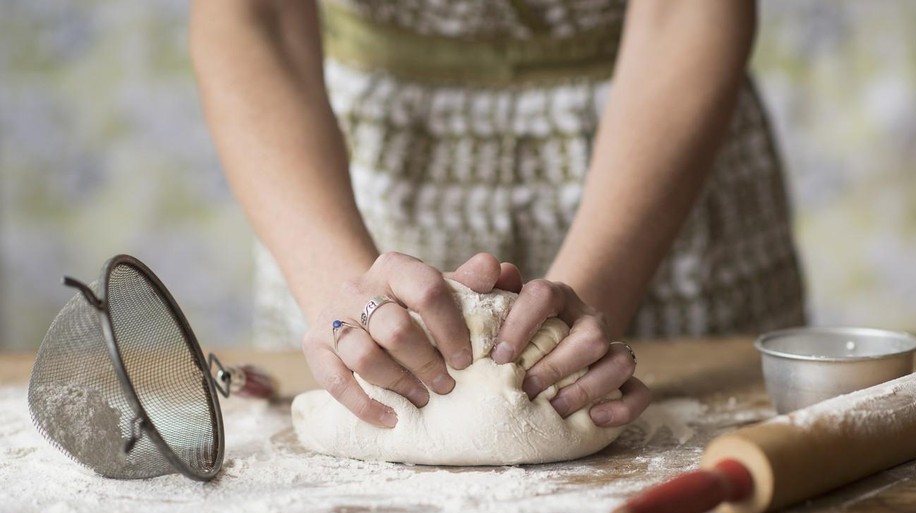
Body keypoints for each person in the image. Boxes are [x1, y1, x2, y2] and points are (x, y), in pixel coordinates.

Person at [189, 0, 804, 431]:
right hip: (349, 179)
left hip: (653, 163)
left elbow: (690, 10)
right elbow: (251, 15)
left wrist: (585, 310)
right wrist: (342, 294)